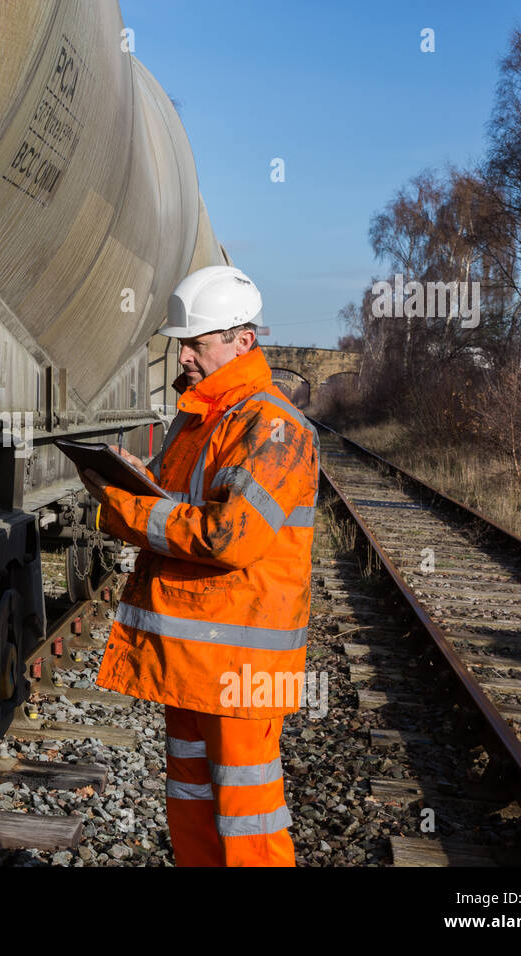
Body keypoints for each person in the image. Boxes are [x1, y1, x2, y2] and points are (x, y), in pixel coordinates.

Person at [75, 265, 318, 867]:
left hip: (240, 667)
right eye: (180, 343)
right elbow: (176, 503)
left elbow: (230, 537)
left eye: (196, 343)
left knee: (248, 817)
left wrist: (127, 507)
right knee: (192, 800)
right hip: (193, 658)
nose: (182, 355)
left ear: (243, 340)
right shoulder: (202, 415)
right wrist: (135, 479)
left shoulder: (273, 426)